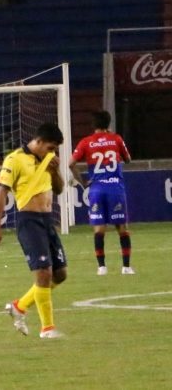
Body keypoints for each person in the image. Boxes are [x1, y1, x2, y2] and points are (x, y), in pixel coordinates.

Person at [0, 122, 65, 339]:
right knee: (43, 272)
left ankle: (19, 306)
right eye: (50, 147)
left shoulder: (49, 159)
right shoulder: (15, 159)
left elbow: (58, 189)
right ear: (39, 141)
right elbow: (1, 192)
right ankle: (47, 328)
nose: (52, 152)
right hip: (29, 220)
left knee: (60, 274)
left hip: (47, 220)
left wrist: (55, 171)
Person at [69, 111, 134, 276]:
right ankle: (126, 267)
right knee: (122, 228)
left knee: (99, 230)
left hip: (97, 189)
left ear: (93, 125)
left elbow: (71, 163)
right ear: (108, 124)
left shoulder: (86, 142)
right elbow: (128, 159)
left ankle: (101, 267)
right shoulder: (116, 139)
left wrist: (83, 181)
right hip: (115, 188)